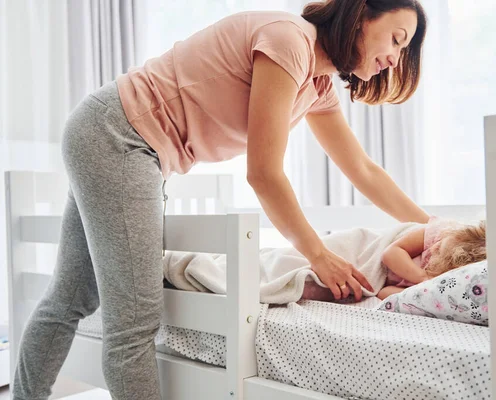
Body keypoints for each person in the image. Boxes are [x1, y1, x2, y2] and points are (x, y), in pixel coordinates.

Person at [12, 0, 428, 399]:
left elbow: (364, 170)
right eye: (396, 38)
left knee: (71, 297)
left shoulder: (317, 86)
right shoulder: (289, 41)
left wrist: (433, 229)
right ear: (361, 17)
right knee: (134, 322)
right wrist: (317, 255)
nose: (394, 58)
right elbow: (263, 173)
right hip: (120, 136)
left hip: (111, 133)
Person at [377, 217, 487, 300]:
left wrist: (422, 287)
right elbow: (390, 253)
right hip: (376, 247)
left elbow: (382, 293)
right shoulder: (440, 232)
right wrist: (422, 277)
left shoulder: (435, 283)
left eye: (439, 251)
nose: (434, 247)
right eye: (440, 242)